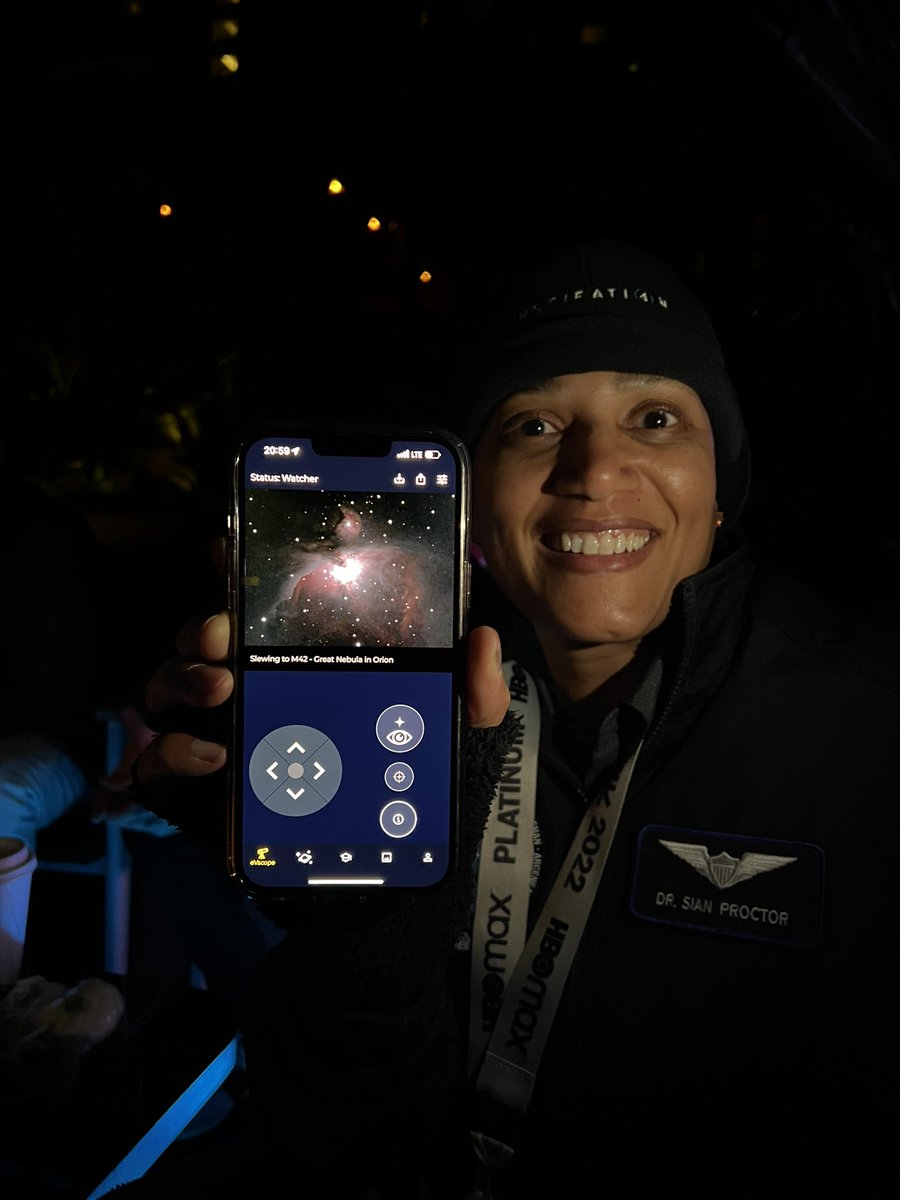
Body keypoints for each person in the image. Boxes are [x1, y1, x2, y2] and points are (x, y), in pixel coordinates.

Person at [125, 235, 899, 1197]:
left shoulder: (870, 739)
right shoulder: (419, 716)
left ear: (722, 486)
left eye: (654, 417)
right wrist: (352, 945)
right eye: (533, 426)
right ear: (474, 516)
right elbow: (345, 1147)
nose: (593, 468)